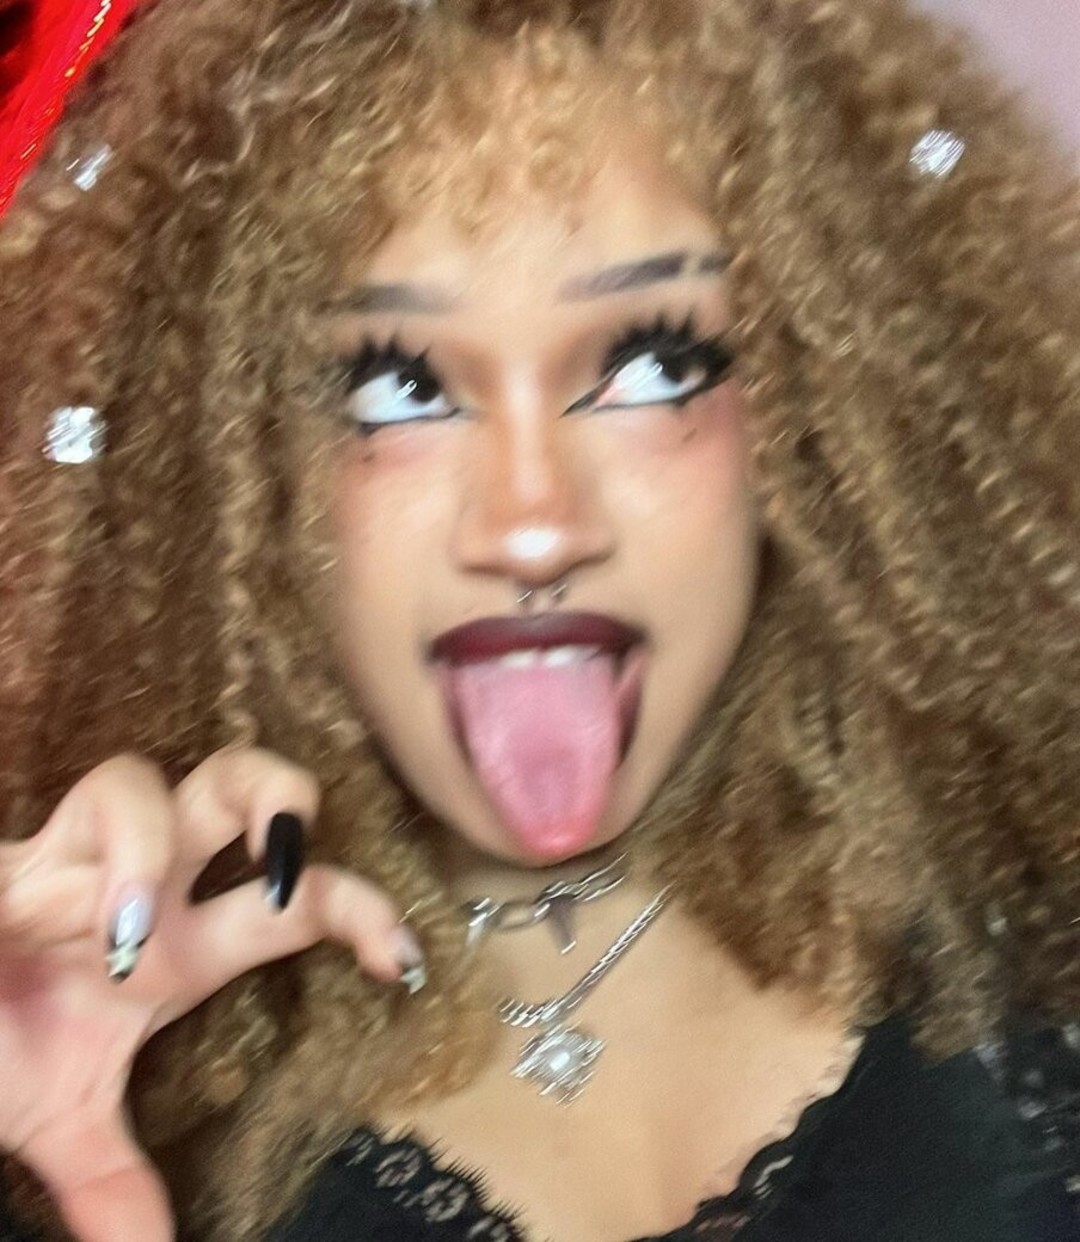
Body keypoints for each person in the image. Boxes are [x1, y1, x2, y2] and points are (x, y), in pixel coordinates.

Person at [1, 0, 1079, 1238]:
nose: (533, 525)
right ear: (222, 451)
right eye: (398, 387)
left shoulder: (1038, 965)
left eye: (655, 364)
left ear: (820, 400)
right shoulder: (107, 1079)